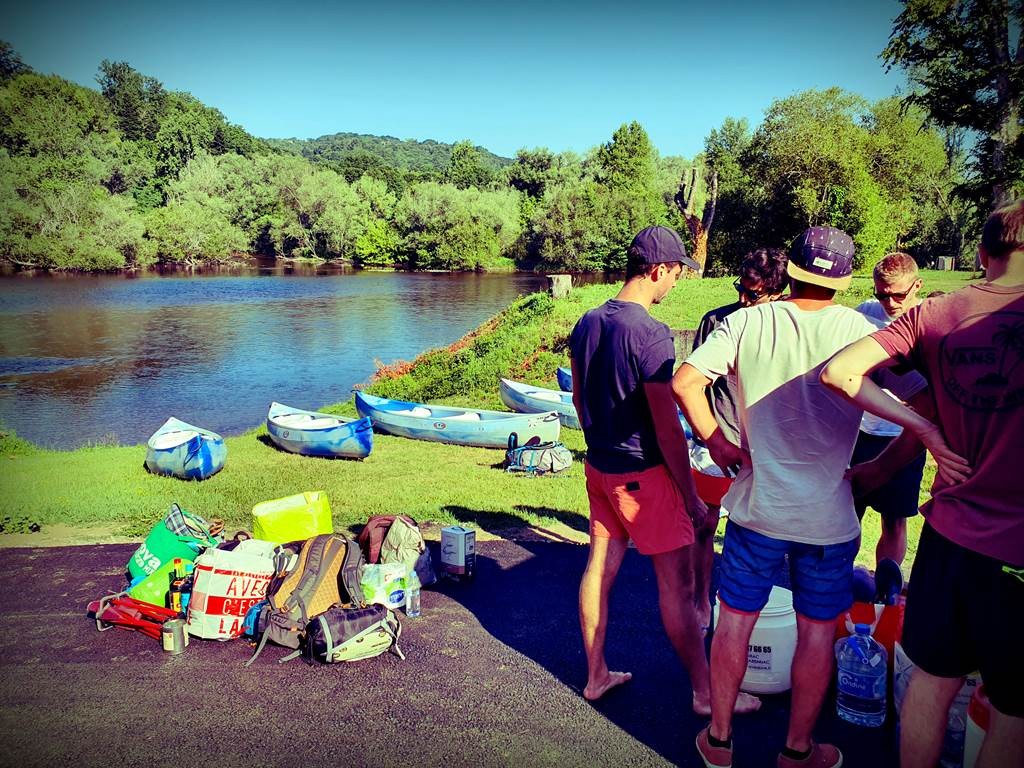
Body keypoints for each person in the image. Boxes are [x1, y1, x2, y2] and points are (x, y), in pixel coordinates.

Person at [675, 226, 924, 768]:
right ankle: (797, 752)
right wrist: (879, 469)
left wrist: (717, 442)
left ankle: (719, 742)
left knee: (734, 622)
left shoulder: (747, 321)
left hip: (757, 510)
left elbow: (685, 382)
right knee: (816, 632)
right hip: (828, 517)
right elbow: (925, 402)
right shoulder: (863, 332)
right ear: (846, 281)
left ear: (789, 271)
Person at [821, 200, 1024, 768]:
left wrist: (924, 430)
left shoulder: (934, 314)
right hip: (1016, 548)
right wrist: (923, 428)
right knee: (1013, 708)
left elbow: (839, 371)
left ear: (981, 253)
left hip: (949, 534)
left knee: (933, 680)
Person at [569, 226, 759, 718]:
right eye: (676, 272)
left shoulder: (587, 322)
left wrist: (600, 446)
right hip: (643, 478)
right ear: (658, 270)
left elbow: (579, 400)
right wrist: (690, 495)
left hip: (600, 469)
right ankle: (705, 693)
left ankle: (596, 675)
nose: (677, 282)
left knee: (599, 569)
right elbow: (668, 427)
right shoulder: (650, 333)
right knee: (678, 588)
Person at [690, 248, 789, 629]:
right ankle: (700, 601)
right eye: (740, 289)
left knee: (758, 535)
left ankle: (748, 612)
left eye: (754, 294)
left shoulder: (787, 329)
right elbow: (693, 386)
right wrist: (709, 437)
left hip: (765, 451)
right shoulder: (715, 321)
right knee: (704, 525)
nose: (744, 300)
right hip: (716, 446)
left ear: (778, 293)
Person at [850, 252, 928, 568]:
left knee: (894, 519)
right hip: (859, 432)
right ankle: (838, 581)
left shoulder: (928, 320)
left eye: (898, 295)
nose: (890, 303)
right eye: (882, 295)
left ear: (917, 286)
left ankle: (887, 589)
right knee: (847, 512)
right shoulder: (865, 313)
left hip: (905, 436)